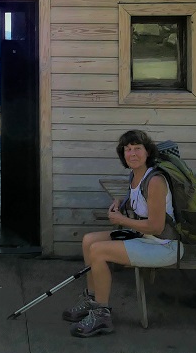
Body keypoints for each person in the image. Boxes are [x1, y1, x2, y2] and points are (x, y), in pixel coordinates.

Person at [64, 129, 183, 337]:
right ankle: (92, 300)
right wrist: (120, 204)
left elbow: (156, 226)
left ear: (148, 153)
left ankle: (101, 315)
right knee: (88, 240)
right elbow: (139, 208)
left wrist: (120, 220)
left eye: (137, 148)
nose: (132, 154)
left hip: (164, 246)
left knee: (99, 252)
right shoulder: (135, 176)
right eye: (127, 149)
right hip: (146, 239)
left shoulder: (155, 181)